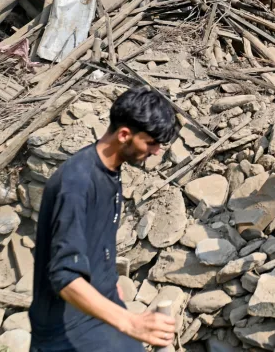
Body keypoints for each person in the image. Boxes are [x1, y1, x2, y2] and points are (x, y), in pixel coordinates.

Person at [30, 87, 180, 351]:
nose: (157, 152)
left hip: (101, 310)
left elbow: (97, 242)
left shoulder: (110, 171)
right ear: (124, 135)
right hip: (67, 328)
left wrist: (111, 285)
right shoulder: (76, 183)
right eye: (151, 143)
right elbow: (65, 276)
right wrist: (130, 322)